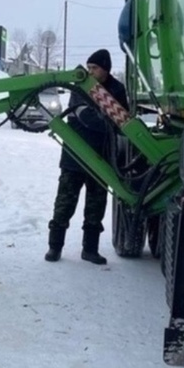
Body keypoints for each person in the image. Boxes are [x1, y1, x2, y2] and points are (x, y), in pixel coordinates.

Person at [44, 49, 128, 265]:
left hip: (101, 158)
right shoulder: (80, 85)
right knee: (64, 203)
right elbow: (85, 116)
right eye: (89, 67)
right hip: (76, 154)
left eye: (95, 68)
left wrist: (110, 122)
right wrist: (108, 120)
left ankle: (90, 250)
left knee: (95, 205)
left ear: (105, 69)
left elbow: (124, 121)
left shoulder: (117, 89)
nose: (90, 71)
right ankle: (55, 247)